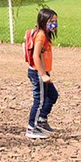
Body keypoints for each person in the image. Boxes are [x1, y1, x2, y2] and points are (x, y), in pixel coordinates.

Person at [26, 8, 59, 139]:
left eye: (56, 21)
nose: (54, 24)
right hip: (37, 73)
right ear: (43, 21)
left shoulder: (45, 35)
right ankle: (31, 128)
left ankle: (41, 120)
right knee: (39, 101)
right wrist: (43, 75)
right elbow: (35, 56)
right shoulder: (41, 35)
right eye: (51, 21)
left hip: (43, 72)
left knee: (52, 95)